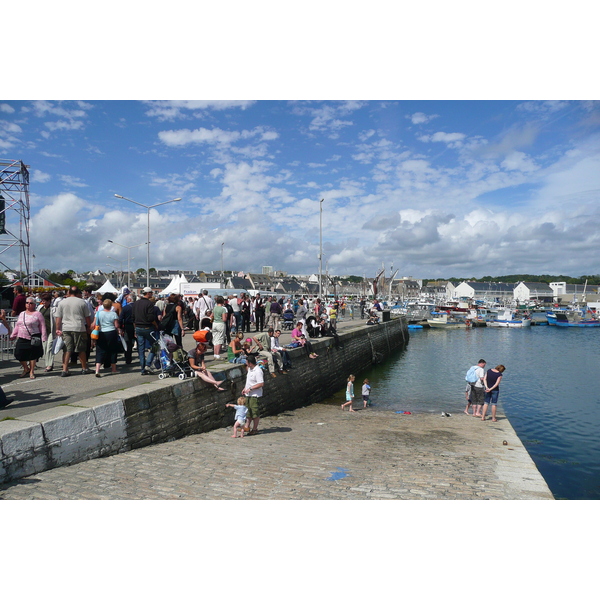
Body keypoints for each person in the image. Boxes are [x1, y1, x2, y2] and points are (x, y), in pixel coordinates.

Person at [54, 286, 93, 377]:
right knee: (81, 349)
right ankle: (84, 368)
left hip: (66, 327)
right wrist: (88, 327)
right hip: (79, 327)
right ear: (77, 293)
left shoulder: (62, 302)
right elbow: (87, 317)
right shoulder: (82, 302)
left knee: (67, 349)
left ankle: (65, 369)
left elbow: (58, 318)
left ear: (69, 292)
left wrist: (57, 329)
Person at [10, 297, 48, 379]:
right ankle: (26, 369)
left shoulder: (38, 314)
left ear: (34, 304)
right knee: (18, 354)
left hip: (34, 336)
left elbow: (42, 326)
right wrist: (13, 335)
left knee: (32, 355)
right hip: (22, 336)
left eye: (31, 303)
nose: (28, 304)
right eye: (27, 303)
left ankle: (32, 371)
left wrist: (44, 337)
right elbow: (17, 325)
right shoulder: (22, 314)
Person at [132, 286, 159, 375]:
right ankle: (148, 364)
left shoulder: (136, 303)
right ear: (148, 293)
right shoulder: (149, 304)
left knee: (141, 349)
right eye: (151, 293)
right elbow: (150, 317)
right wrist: (156, 325)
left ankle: (142, 369)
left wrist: (135, 328)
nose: (152, 294)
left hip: (138, 327)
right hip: (147, 327)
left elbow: (133, 317)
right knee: (155, 345)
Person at [92, 299, 122, 377]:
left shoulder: (98, 313)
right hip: (111, 332)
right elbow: (116, 325)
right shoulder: (113, 314)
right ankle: (114, 369)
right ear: (111, 306)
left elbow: (94, 324)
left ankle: (97, 370)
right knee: (112, 351)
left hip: (101, 332)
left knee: (100, 350)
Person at [242, 355, 264, 435]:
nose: (246, 364)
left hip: (255, 395)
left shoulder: (258, 371)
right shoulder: (250, 369)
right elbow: (248, 381)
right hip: (248, 394)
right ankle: (247, 426)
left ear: (250, 363)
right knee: (248, 411)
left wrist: (250, 388)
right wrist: (245, 388)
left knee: (255, 412)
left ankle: (255, 429)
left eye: (247, 362)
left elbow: (261, 383)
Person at [37, 293, 55, 372]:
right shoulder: (40, 308)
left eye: (45, 301)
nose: (43, 302)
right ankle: (47, 363)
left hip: (51, 330)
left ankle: (49, 365)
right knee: (45, 348)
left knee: (49, 348)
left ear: (49, 301)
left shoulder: (53, 309)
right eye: (42, 300)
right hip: (43, 331)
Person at [212, 295, 228, 360]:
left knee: (215, 339)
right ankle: (218, 354)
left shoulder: (214, 308)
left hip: (214, 323)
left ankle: (215, 354)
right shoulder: (223, 309)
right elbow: (224, 319)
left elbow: (211, 316)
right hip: (220, 324)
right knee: (220, 339)